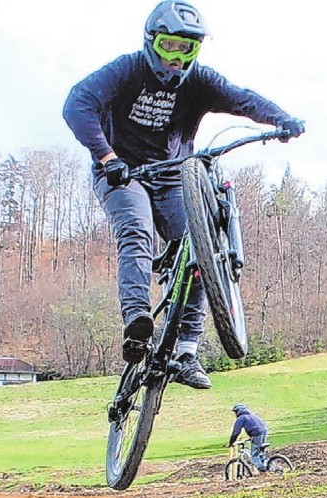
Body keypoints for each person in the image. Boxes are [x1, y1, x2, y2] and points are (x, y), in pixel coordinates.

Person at [63, 1, 304, 389]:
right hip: (123, 174)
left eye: (187, 49)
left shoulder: (200, 81)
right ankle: (138, 321)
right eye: (169, 47)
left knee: (197, 247)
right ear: (151, 42)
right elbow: (78, 103)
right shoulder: (126, 71)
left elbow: (241, 98)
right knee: (137, 231)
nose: (176, 58)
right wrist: (106, 156)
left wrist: (281, 118)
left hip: (174, 177)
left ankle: (186, 352)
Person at [228, 403, 269, 472]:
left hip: (256, 434)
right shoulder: (253, 415)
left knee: (254, 455)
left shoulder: (241, 418)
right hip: (264, 432)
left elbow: (236, 432)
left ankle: (263, 471)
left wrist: (231, 442)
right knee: (261, 453)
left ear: (237, 411)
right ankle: (268, 465)